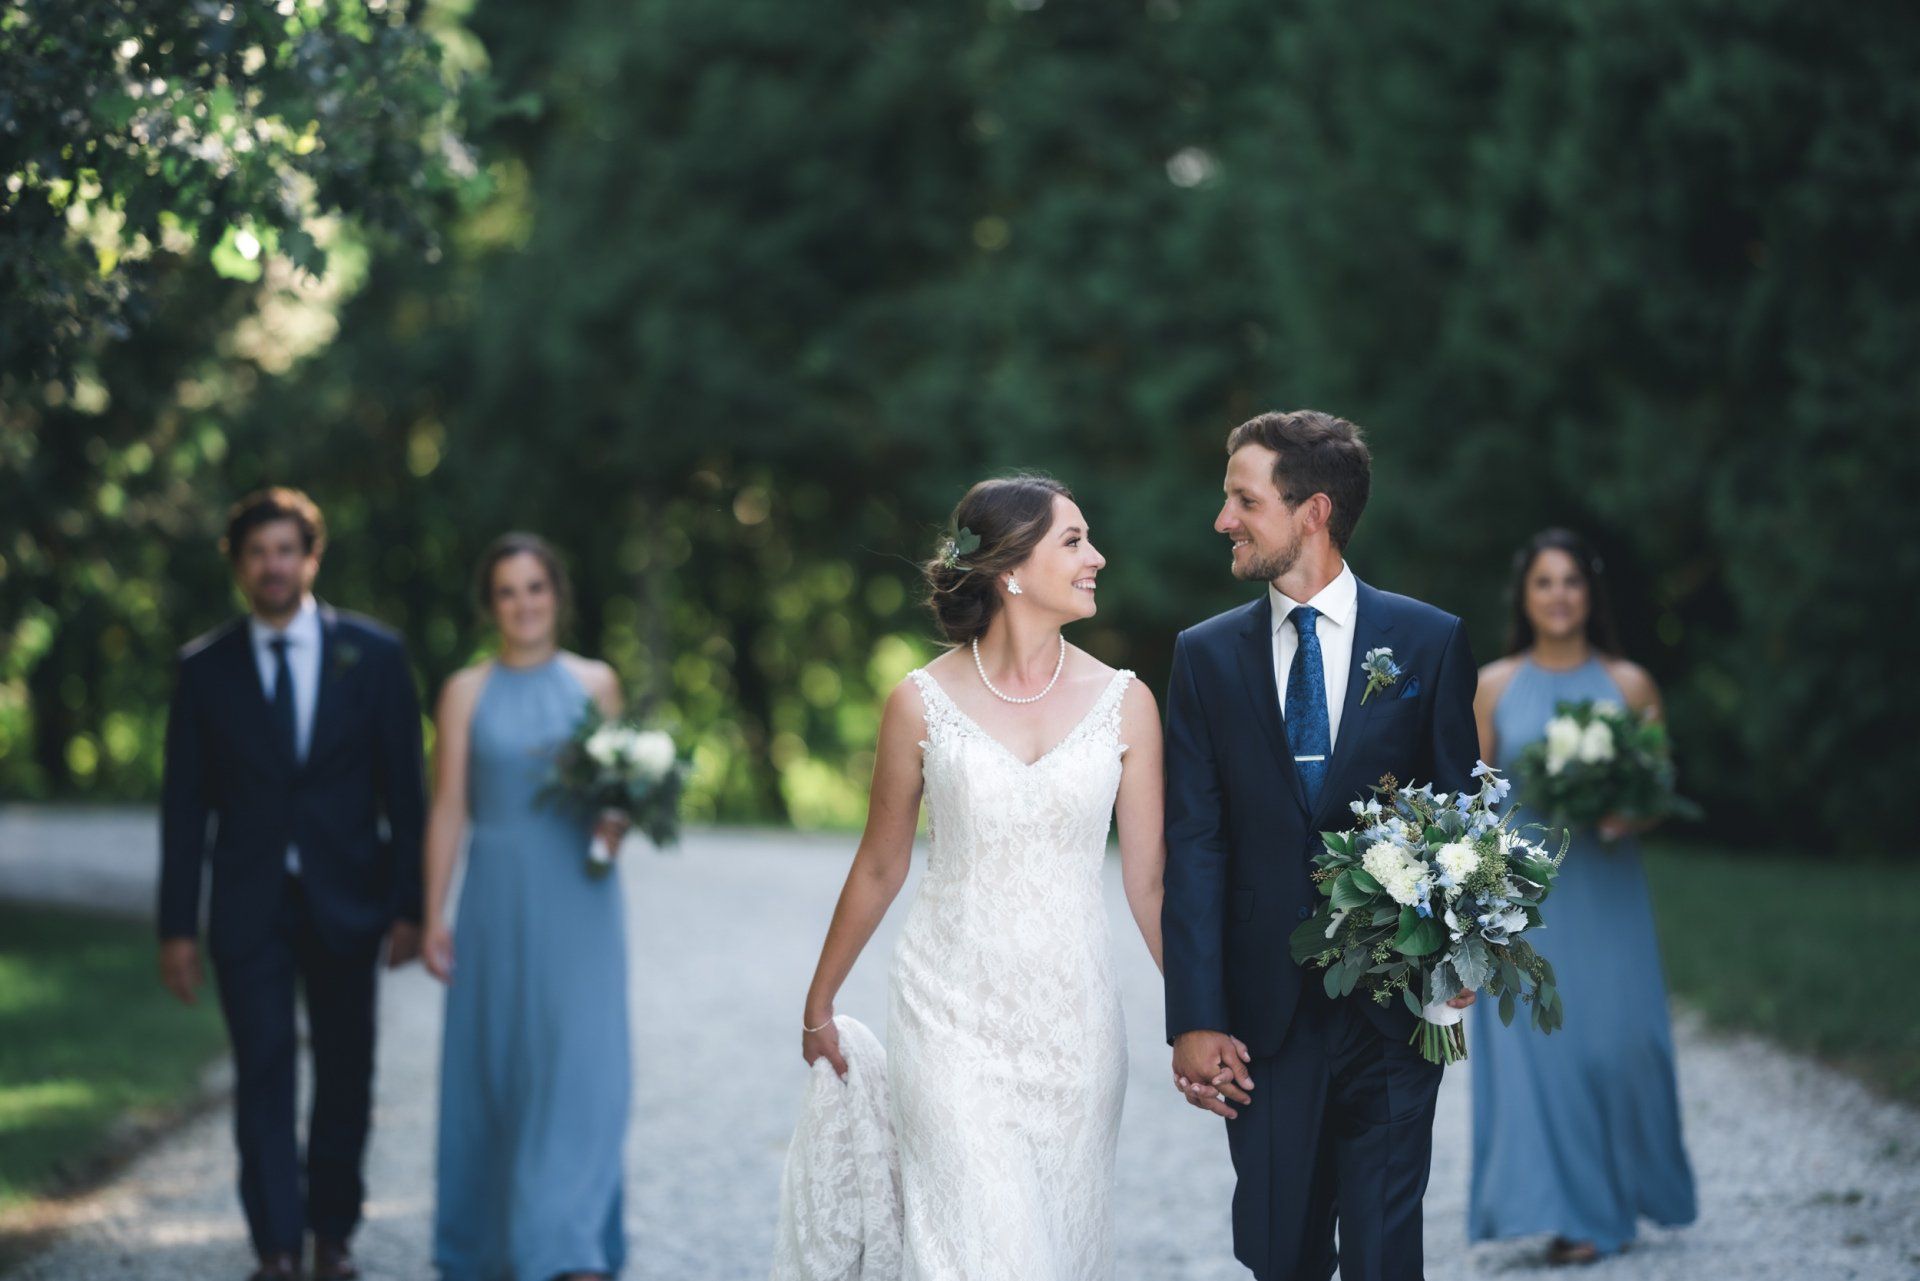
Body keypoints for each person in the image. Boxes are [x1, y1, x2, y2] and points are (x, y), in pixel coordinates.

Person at [781, 475, 1166, 1279]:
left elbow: (1151, 884)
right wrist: (821, 998)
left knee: (1058, 1251)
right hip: (948, 1018)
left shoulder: (1127, 704)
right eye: (1074, 539)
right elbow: (881, 861)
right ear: (1011, 569)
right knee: (981, 1252)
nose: (1097, 556)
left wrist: (1207, 1014)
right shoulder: (919, 703)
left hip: (1077, 1028)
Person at [1162, 409, 1479, 1280]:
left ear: (1313, 511)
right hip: (1262, 1025)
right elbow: (1195, 843)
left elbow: (1463, 826)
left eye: (1242, 499)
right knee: (1278, 1249)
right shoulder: (1203, 656)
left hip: (1393, 1014)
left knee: (1385, 1251)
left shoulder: (1429, 641)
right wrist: (1195, 1015)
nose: (1223, 519)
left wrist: (1453, 982)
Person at [159, 487, 426, 1281]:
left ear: (311, 557)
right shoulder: (204, 669)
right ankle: (276, 1246)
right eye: (256, 552)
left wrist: (410, 907)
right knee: (264, 1069)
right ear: (239, 567)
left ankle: (332, 1234)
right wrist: (176, 926)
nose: (272, 565)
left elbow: (405, 795)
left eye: (286, 549)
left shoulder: (374, 656)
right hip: (248, 908)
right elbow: (183, 809)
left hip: (350, 901)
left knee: (347, 1071)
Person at [1468, 528, 1697, 1264]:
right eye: (1544, 582)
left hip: (1608, 889)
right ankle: (1574, 1215)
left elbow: (1659, 789)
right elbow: (1474, 796)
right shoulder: (1495, 685)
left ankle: (1620, 1192)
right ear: (1525, 597)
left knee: (1620, 1046)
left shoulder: (1630, 684)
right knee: (1545, 1053)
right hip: (1529, 899)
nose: (1559, 595)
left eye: (1571, 581)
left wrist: (1629, 811)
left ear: (1589, 594)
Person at [424, 533, 633, 1281]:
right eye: (507, 591)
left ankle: (569, 1246)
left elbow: (618, 797)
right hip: (495, 900)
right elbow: (449, 805)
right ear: (492, 604)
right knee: (500, 1068)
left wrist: (619, 821)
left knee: (582, 1067)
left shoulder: (594, 683)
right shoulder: (464, 692)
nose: (523, 604)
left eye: (535, 588)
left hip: (581, 897)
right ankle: (490, 1245)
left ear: (557, 595)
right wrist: (431, 912)